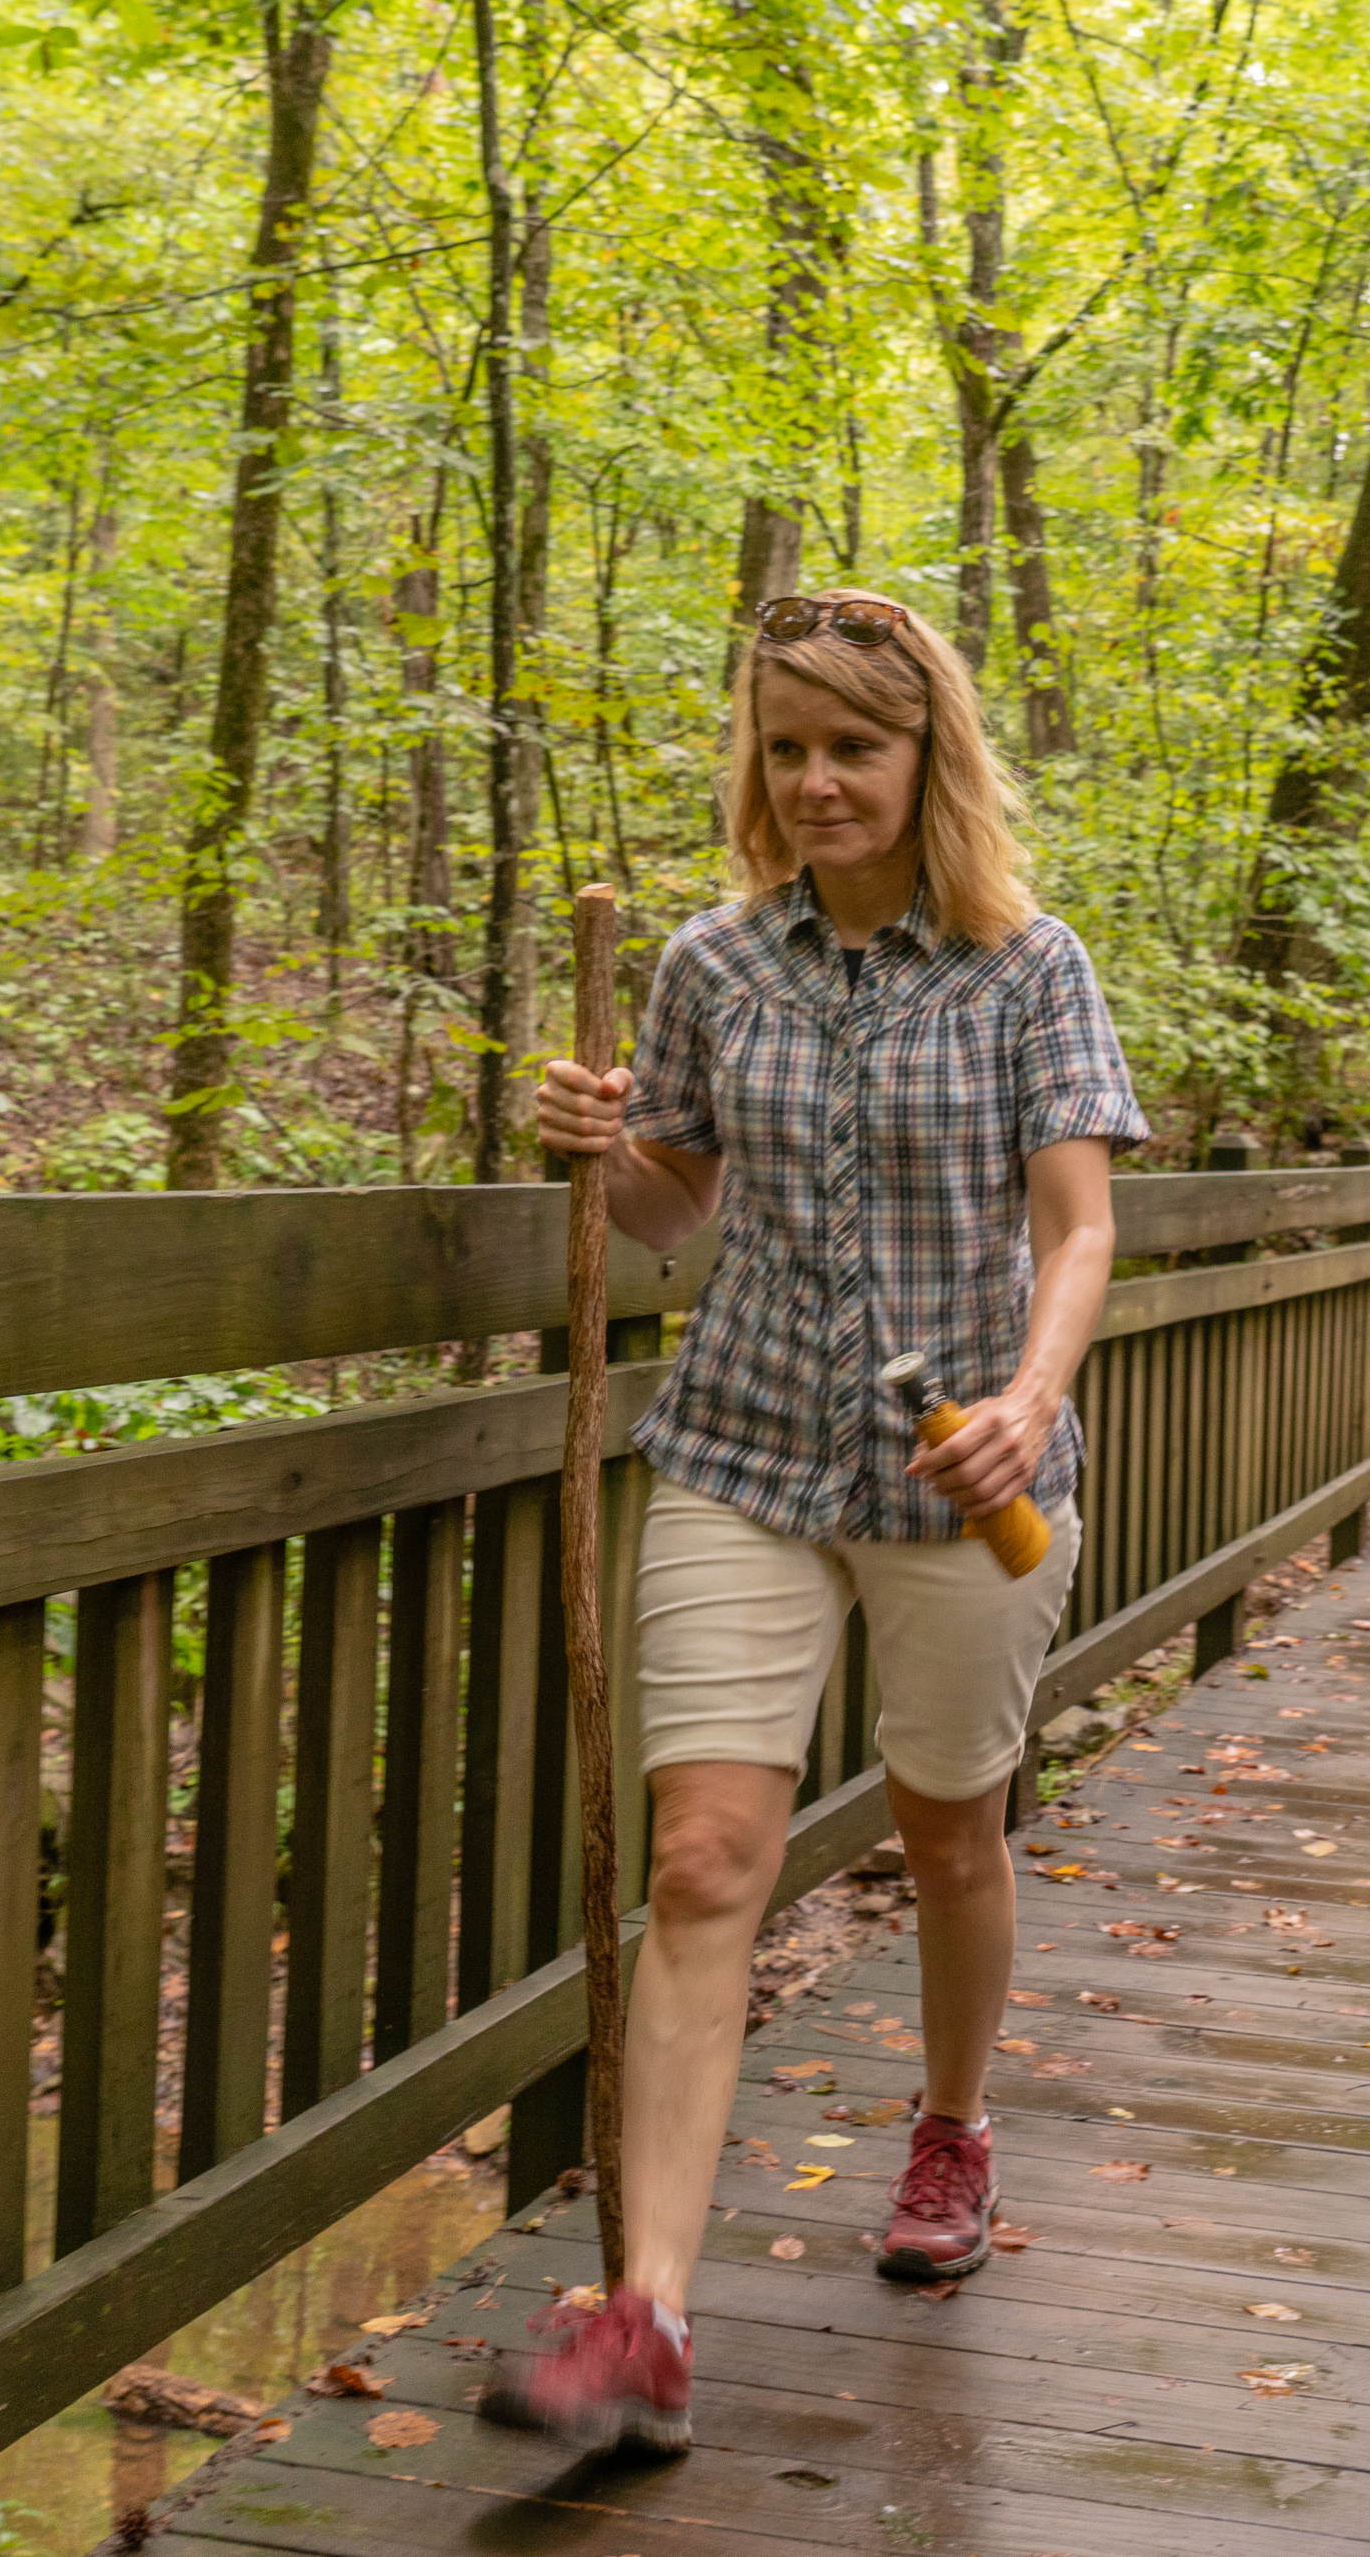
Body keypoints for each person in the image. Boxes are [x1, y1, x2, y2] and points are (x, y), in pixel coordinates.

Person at [481, 589, 1147, 2453]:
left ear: (928, 756)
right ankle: (649, 2314)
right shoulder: (709, 962)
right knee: (702, 1858)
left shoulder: (1029, 965)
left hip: (964, 1475)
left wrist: (1032, 1398)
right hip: (744, 1451)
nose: (818, 778)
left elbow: (1080, 1223)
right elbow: (665, 1212)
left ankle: (950, 2130)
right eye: (787, 745)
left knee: (948, 1833)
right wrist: (592, 1141)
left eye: (855, 743)